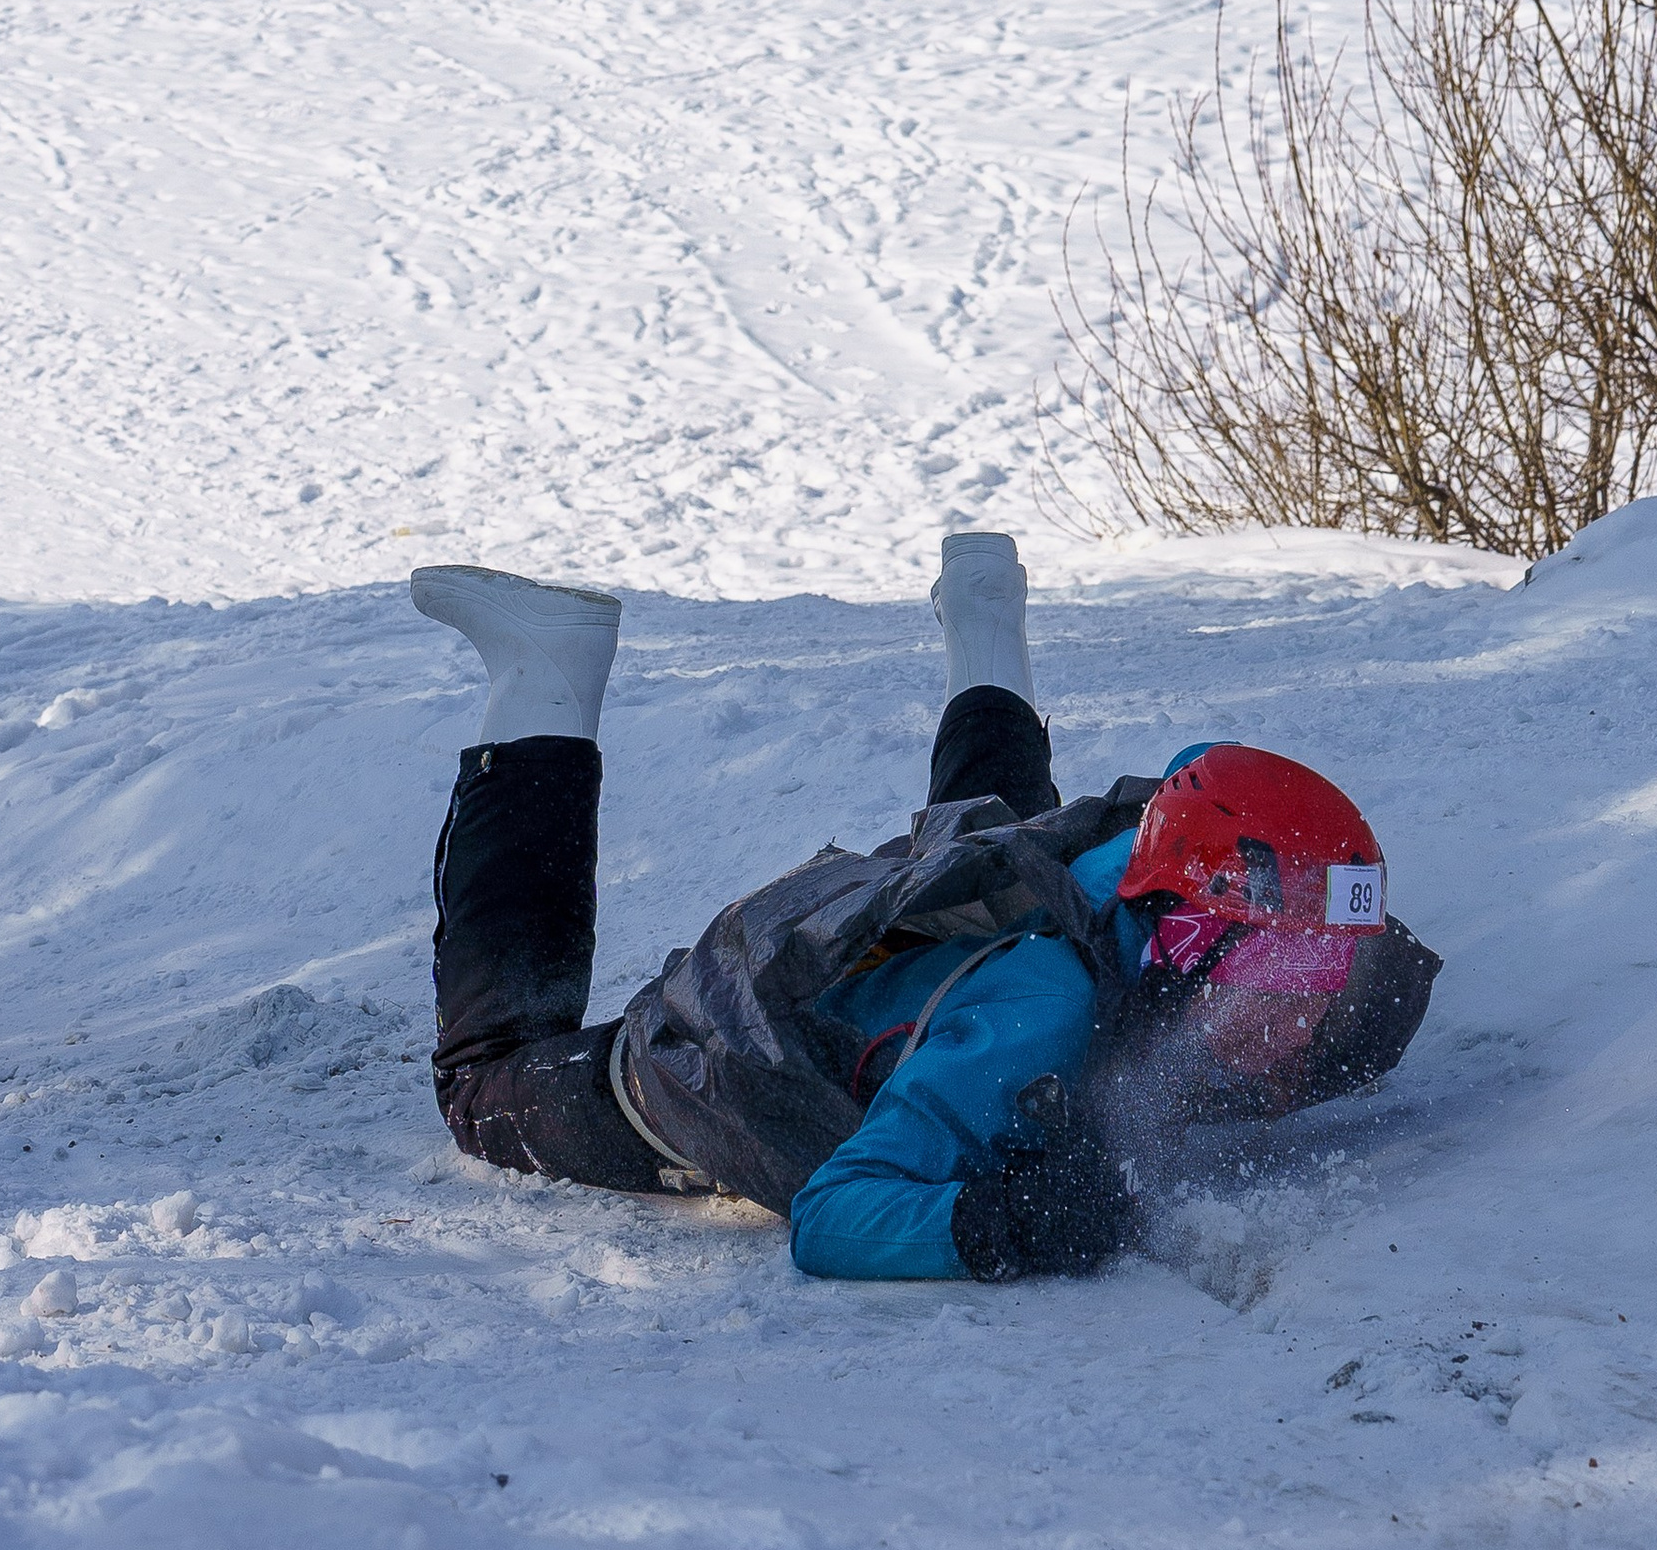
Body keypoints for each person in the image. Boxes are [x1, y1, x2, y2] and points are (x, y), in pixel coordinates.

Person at [415, 532, 1440, 1282]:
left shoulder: (1177, 881)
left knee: (1006, 828)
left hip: (952, 936)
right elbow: (835, 1214)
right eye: (1270, 974)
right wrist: (1008, 1220)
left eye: (1323, 973)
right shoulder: (1034, 1019)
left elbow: (1236, 827)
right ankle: (542, 683)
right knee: (482, 1083)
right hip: (734, 1046)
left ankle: (984, 606)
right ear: (1177, 933)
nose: (1297, 1017)